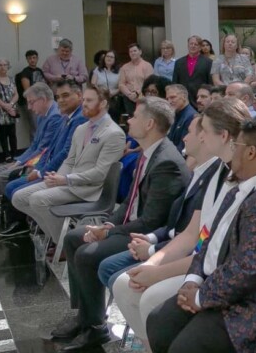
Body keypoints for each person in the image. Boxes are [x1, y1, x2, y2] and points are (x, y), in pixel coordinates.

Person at [147, 116, 256, 353]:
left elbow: (250, 268)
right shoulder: (240, 185)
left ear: (251, 152)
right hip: (235, 287)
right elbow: (208, 239)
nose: (232, 150)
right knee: (160, 321)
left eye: (235, 146)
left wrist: (200, 297)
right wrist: (193, 281)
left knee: (187, 347)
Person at [49, 96, 189, 351]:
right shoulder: (149, 154)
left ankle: (96, 328)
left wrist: (109, 232)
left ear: (149, 124)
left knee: (88, 254)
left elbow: (152, 220)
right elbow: (129, 202)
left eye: (134, 116)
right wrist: (107, 226)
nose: (129, 120)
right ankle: (83, 316)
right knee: (73, 238)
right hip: (131, 225)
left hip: (146, 235)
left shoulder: (166, 161)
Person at [108, 100, 236, 344]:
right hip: (198, 259)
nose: (192, 137)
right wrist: (152, 264)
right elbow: (192, 233)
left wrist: (158, 270)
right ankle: (149, 345)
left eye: (202, 131)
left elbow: (214, 252)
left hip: (216, 270)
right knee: (126, 284)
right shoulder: (215, 172)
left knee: (150, 298)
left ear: (223, 136)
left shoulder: (232, 178)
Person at [12, 85, 125, 247]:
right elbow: (69, 161)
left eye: (89, 100)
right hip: (69, 182)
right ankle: (57, 238)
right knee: (19, 198)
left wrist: (65, 179)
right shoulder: (81, 129)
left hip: (90, 189)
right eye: (84, 99)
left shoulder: (114, 133)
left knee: (38, 199)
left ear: (103, 104)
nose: (84, 103)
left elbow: (100, 173)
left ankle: (63, 245)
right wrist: (55, 179)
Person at [0, 83, 65, 236]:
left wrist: (25, 164)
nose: (29, 107)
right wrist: (18, 161)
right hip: (35, 157)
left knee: (7, 177)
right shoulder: (43, 115)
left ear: (43, 99)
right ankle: (12, 210)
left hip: (42, 162)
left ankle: (18, 219)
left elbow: (43, 149)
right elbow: (35, 145)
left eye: (31, 102)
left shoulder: (55, 116)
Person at [0, 58, 19, 158]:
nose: (3, 67)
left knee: (12, 133)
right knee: (3, 133)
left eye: (5, 65)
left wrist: (10, 104)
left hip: (11, 110)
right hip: (0, 110)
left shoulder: (11, 78)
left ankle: (15, 154)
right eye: (0, 65)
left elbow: (16, 94)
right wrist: (5, 106)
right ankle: (6, 155)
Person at [174, 36, 215, 101]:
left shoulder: (208, 62)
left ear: (200, 47)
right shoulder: (178, 62)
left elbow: (210, 83)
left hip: (200, 99)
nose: (193, 46)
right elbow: (175, 83)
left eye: (196, 44)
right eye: (191, 44)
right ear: (188, 45)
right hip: (183, 99)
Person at [119, 43, 155, 117]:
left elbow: (149, 83)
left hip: (143, 97)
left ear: (140, 52)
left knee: (144, 118)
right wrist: (129, 94)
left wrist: (137, 93)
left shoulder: (147, 66)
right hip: (129, 98)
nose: (132, 53)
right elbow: (121, 84)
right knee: (132, 119)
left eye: (134, 51)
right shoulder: (124, 67)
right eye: (130, 52)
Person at [15, 49, 46, 133]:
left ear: (37, 58)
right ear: (27, 60)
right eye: (30, 58)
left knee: (42, 126)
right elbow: (28, 90)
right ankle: (35, 145)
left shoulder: (39, 71)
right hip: (32, 103)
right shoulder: (25, 72)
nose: (32, 60)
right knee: (35, 127)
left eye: (34, 58)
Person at [164, 84, 197, 151]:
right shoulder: (174, 115)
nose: (169, 101)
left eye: (173, 97)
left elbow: (183, 147)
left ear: (184, 97)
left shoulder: (191, 117)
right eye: (167, 99)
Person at [91, 50, 121, 115]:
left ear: (115, 59)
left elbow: (121, 85)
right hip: (100, 96)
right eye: (107, 56)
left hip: (113, 98)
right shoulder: (98, 69)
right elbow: (93, 83)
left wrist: (113, 93)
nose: (109, 58)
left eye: (111, 57)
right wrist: (102, 92)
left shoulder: (120, 71)